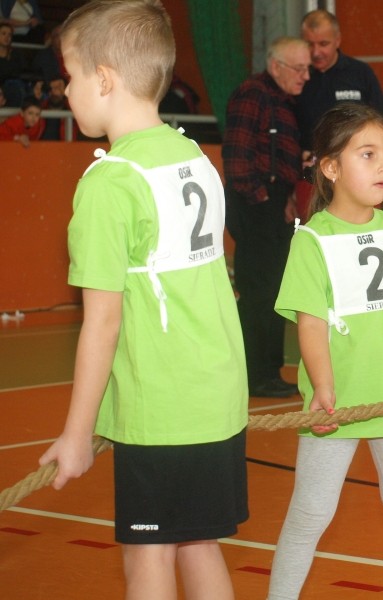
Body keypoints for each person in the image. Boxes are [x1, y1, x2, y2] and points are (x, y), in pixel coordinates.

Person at [37, 3, 249, 599]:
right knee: (199, 543)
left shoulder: (111, 183)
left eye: (71, 77)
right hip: (217, 394)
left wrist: (77, 433)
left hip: (163, 406)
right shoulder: (194, 156)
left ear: (104, 79)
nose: (66, 91)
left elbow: (102, 324)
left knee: (148, 556)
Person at [268, 103, 383, 600]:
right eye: (367, 154)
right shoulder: (312, 241)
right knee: (310, 513)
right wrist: (323, 388)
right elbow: (310, 324)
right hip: (336, 408)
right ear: (330, 167)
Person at [222, 36, 310, 398]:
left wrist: (285, 198)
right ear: (276, 66)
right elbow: (237, 157)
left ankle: (267, 372)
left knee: (274, 289)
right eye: (299, 68)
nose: (306, 75)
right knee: (260, 291)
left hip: (273, 203)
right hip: (255, 204)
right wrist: (262, 200)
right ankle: (256, 374)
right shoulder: (253, 94)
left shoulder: (284, 103)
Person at [295, 9, 383, 218]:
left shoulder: (359, 73)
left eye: (323, 44)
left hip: (360, 179)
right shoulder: (297, 76)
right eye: (309, 44)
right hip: (311, 180)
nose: (316, 52)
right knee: (315, 234)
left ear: (338, 40)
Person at [0, 21, 28, 106]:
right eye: (3, 33)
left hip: (16, 87)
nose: (7, 37)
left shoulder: (16, 53)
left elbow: (23, 71)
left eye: (10, 35)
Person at [39, 76, 67, 140]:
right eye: (53, 87)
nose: (55, 91)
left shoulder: (73, 110)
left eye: (59, 87)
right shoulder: (39, 108)